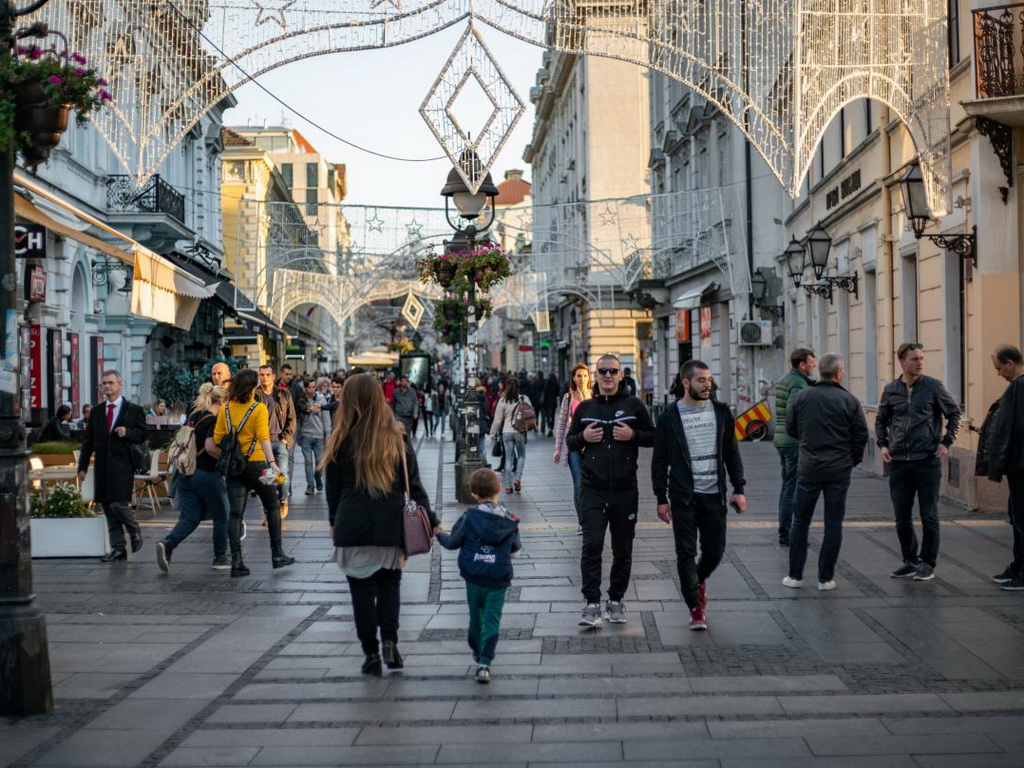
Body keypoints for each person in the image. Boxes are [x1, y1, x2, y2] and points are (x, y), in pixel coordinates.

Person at [324, 373, 438, 677]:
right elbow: (413, 484)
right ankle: (390, 642)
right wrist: (433, 520)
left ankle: (371, 654)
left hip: (353, 526)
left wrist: (334, 521)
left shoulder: (340, 438)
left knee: (361, 594)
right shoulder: (397, 436)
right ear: (379, 398)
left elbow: (333, 491)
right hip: (390, 525)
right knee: (389, 587)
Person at [651, 360, 746, 631]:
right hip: (684, 497)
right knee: (685, 553)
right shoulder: (669, 417)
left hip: (714, 495)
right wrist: (661, 498)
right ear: (686, 383)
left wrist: (739, 488)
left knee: (715, 551)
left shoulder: (721, 412)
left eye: (709, 380)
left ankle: (697, 580)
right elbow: (659, 461)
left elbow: (731, 453)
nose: (708, 385)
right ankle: (695, 608)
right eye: (701, 380)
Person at [567, 354, 655, 626]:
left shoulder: (634, 405)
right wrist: (583, 437)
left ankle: (615, 600)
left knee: (623, 549)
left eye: (612, 371)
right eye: (603, 371)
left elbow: (654, 437)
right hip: (593, 489)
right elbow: (570, 441)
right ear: (596, 375)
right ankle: (591, 603)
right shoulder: (586, 408)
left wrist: (633, 436)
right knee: (592, 545)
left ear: (620, 375)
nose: (607, 375)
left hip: (625, 490)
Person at [781, 353, 868, 592]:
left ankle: (795, 576)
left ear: (820, 371)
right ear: (839, 373)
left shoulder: (802, 397)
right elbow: (860, 435)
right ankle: (825, 579)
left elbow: (791, 427)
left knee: (800, 523)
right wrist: (852, 460)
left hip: (809, 468)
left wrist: (808, 442)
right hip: (839, 470)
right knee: (833, 524)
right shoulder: (849, 400)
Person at [876, 342, 961, 581]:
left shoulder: (933, 386)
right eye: (914, 359)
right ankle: (910, 561)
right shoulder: (891, 390)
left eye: (922, 358)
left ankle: (928, 563)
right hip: (899, 462)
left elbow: (954, 413)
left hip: (926, 461)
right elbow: (881, 419)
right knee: (902, 517)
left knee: (928, 515)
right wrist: (882, 444)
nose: (920, 362)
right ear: (902, 362)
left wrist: (946, 442)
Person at [436, 467, 521, 684]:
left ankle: (476, 647)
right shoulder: (509, 519)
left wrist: (439, 534)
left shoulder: (468, 517)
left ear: (473, 494)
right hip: (498, 577)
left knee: (476, 616)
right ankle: (485, 664)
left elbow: (452, 542)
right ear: (499, 488)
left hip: (474, 576)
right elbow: (515, 551)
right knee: (492, 620)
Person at [214, 368, 294, 577]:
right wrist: (272, 463)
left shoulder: (226, 408)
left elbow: (218, 437)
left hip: (234, 468)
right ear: (251, 387)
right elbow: (264, 438)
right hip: (257, 464)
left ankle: (237, 561)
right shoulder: (258, 408)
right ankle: (277, 554)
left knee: (235, 514)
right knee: (273, 505)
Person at [156, 384, 231, 572]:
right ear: (221, 402)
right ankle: (220, 557)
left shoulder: (193, 416)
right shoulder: (212, 420)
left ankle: (168, 544)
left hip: (186, 473)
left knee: (191, 517)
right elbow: (210, 447)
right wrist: (226, 458)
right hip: (206, 473)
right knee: (222, 514)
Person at [77, 370, 148, 562]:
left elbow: (143, 434)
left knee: (118, 503)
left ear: (120, 384)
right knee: (107, 507)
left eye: (110, 383)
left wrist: (128, 432)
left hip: (123, 464)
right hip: (102, 465)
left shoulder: (133, 410)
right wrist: (82, 467)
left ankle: (133, 528)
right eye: (104, 383)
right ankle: (118, 549)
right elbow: (88, 442)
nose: (107, 386)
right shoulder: (97, 412)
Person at [984, 344, 1024, 591]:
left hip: (1020, 467)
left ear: (1010, 363)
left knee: (1021, 520)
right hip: (1018, 466)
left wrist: (1002, 462)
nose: (998, 373)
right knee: (1017, 520)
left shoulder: (1020, 387)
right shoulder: (1017, 386)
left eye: (999, 368)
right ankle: (1017, 567)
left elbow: (1013, 429)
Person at [773, 348, 816, 547]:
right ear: (802, 365)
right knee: (793, 488)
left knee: (787, 486)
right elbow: (795, 411)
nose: (814, 366)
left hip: (782, 440)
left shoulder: (787, 379)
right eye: (811, 363)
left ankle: (785, 532)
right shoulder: (798, 383)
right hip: (793, 442)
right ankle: (788, 534)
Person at [553, 364, 592, 534]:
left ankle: (593, 517)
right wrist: (557, 448)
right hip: (574, 446)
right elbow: (562, 423)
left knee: (592, 484)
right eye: (579, 376)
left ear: (589, 378)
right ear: (574, 378)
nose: (582, 379)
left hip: (592, 446)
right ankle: (582, 522)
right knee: (579, 483)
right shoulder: (568, 398)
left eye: (585, 375)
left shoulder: (594, 397)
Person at [256, 364, 296, 520]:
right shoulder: (254, 395)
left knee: (282, 475)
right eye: (262, 375)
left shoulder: (283, 394)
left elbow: (292, 418)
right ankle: (269, 512)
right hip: (262, 442)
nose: (264, 377)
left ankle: (283, 500)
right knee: (267, 478)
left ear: (273, 377)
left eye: (267, 374)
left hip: (279, 440)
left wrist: (285, 436)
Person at [489, 378, 530, 494]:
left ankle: (508, 486)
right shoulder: (523, 399)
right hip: (520, 431)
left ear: (506, 387)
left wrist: (492, 433)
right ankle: (518, 479)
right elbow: (530, 413)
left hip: (506, 432)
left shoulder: (502, 400)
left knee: (508, 458)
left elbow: (497, 420)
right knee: (521, 456)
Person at [298, 377, 330, 495]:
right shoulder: (301, 400)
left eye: (313, 387)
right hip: (305, 434)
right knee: (308, 461)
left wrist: (328, 434)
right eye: (309, 387)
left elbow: (326, 418)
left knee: (319, 462)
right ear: (305, 388)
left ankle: (318, 477)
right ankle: (310, 486)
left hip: (319, 435)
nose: (311, 390)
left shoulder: (321, 399)